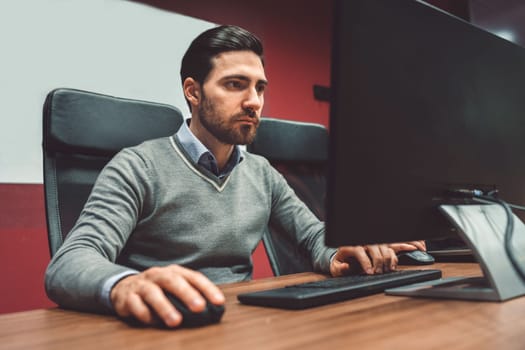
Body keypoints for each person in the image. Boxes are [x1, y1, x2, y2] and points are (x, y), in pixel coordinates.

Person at [45, 25, 425, 328]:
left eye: (260, 87)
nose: (254, 101)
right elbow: (70, 261)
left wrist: (339, 252)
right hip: (165, 326)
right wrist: (123, 284)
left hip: (239, 324)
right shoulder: (138, 166)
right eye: (235, 84)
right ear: (193, 92)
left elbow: (312, 237)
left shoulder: (261, 173)